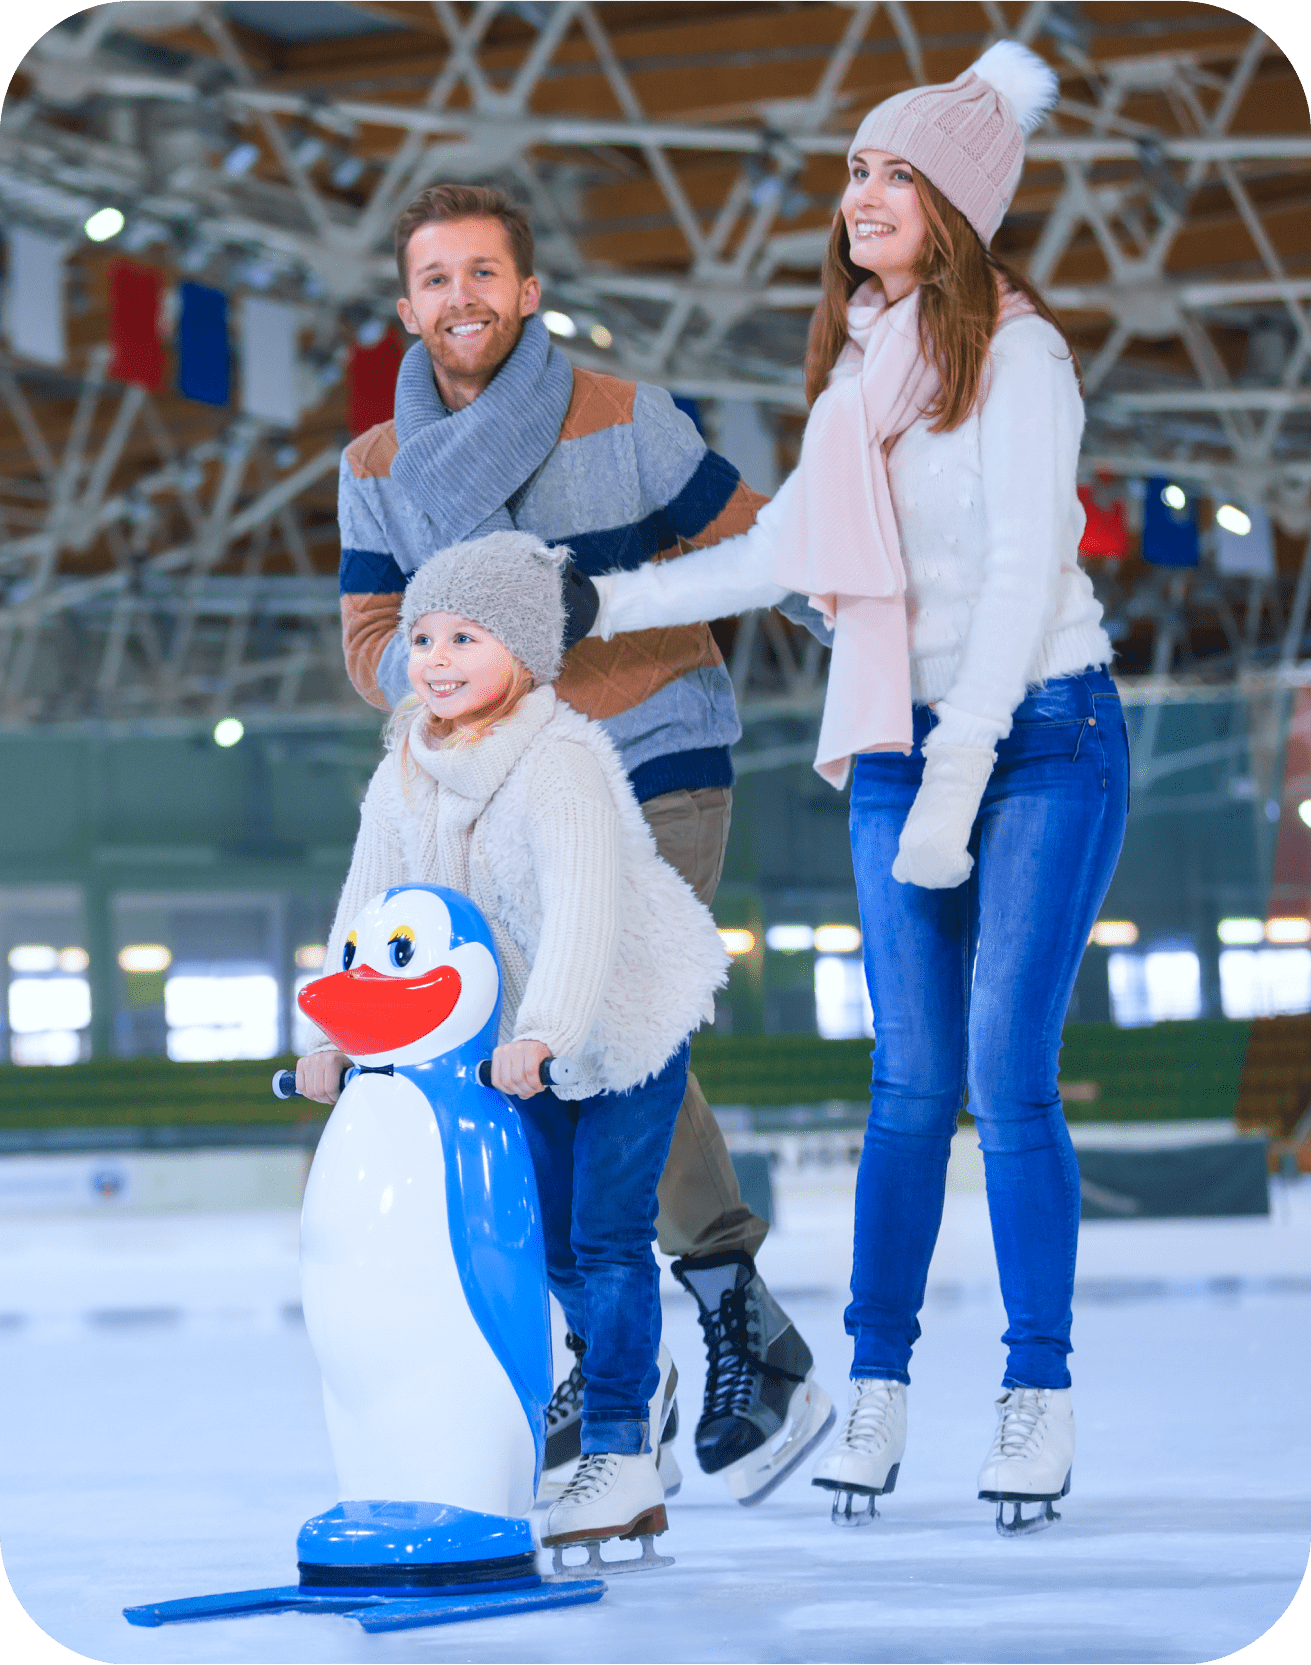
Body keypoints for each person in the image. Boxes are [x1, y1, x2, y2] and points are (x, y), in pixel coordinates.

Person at [590, 42, 1128, 1533]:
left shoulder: (1016, 358)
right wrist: (602, 604)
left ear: (957, 202)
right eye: (852, 170)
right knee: (904, 1085)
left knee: (1002, 1077)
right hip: (894, 746)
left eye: (895, 172)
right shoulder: (850, 377)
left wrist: (960, 772)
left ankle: (1035, 1391)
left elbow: (1023, 577)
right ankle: (877, 1386)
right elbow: (786, 558)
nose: (859, 197)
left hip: (1037, 736)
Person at [335, 182, 834, 1504]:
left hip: (656, 749)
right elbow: (370, 643)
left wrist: (877, 633)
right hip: (494, 798)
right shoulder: (375, 470)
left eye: (483, 273)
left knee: (616, 1026)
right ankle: (647, 1355)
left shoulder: (624, 416)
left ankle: (728, 1325)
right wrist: (462, 683)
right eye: (435, 279)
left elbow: (764, 545)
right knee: (553, 1061)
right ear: (407, 306)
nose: (461, 299)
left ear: (528, 289)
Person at [299, 529, 730, 1555]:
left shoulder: (561, 759)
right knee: (557, 1249)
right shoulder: (405, 768)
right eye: (422, 636)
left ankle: (620, 1451)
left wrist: (545, 1032)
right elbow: (365, 915)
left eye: (466, 637)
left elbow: (588, 911)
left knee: (613, 1234)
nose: (435, 658)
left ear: (528, 653)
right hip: (518, 1046)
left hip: (622, 1017)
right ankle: (633, 1367)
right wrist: (327, 1033)